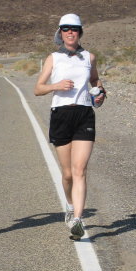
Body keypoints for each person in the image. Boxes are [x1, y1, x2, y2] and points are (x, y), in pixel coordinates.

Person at [34, 14, 105, 240]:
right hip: (61, 114)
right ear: (60, 33)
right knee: (67, 174)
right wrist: (57, 85)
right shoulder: (53, 58)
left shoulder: (89, 57)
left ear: (80, 32)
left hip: (84, 114)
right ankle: (69, 205)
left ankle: (77, 219)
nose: (70, 32)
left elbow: (95, 81)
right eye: (66, 29)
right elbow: (38, 88)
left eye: (74, 29)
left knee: (80, 170)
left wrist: (100, 94)